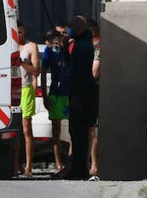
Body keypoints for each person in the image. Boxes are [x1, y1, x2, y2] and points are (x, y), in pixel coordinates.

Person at [57, 15, 98, 180]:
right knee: (77, 133)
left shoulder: (82, 47)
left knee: (79, 134)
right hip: (79, 94)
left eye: (72, 28)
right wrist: (66, 50)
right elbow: (70, 65)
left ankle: (79, 170)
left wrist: (76, 97)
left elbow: (79, 74)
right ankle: (78, 168)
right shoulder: (82, 44)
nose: (69, 31)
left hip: (80, 95)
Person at [40, 29, 69, 174]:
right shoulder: (48, 51)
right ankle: (59, 165)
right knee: (56, 130)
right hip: (56, 93)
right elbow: (43, 73)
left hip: (69, 93)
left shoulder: (68, 49)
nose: (57, 42)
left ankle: (71, 162)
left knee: (73, 130)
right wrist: (45, 96)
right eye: (53, 41)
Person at [14, 22, 40, 177]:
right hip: (11, 90)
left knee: (26, 129)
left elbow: (36, 70)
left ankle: (29, 166)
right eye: (16, 32)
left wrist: (22, 63)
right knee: (15, 130)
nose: (19, 35)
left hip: (26, 89)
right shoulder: (8, 46)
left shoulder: (31, 47)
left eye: (21, 32)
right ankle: (15, 165)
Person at [87, 19, 100, 179]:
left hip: (95, 93)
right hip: (92, 92)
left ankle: (94, 165)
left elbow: (94, 73)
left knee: (93, 131)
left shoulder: (98, 48)